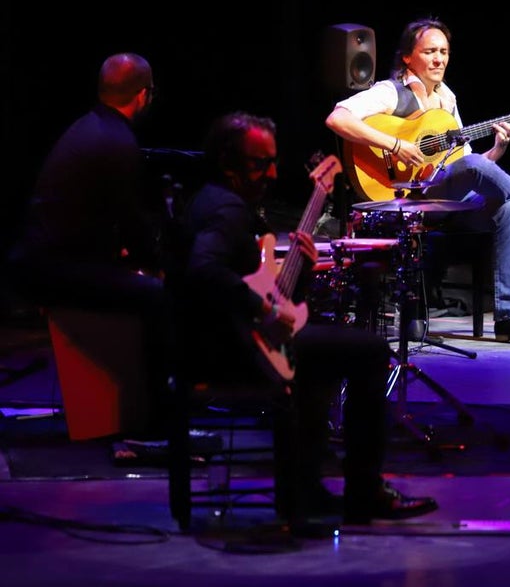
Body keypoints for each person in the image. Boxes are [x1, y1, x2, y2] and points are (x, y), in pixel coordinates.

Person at [168, 110, 436, 524]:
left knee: (323, 359)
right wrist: (265, 309)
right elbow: (205, 271)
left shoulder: (213, 199)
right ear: (228, 162)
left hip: (223, 340)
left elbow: (253, 285)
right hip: (228, 350)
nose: (272, 174)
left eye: (274, 162)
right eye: (260, 163)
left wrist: (298, 275)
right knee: (370, 349)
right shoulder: (226, 211)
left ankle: (306, 486)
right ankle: (363, 491)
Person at [325, 16, 510, 342]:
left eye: (444, 51)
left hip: (446, 200)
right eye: (429, 52)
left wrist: (498, 148)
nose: (439, 59)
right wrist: (395, 143)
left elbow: (467, 165)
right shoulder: (389, 92)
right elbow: (337, 117)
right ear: (408, 57)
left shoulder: (446, 99)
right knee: (488, 181)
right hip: (407, 199)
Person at [6, 52, 171, 432]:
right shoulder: (117, 140)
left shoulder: (90, 126)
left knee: (145, 287)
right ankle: (157, 426)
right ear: (144, 95)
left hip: (43, 262)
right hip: (52, 270)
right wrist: (159, 266)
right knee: (160, 298)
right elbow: (134, 224)